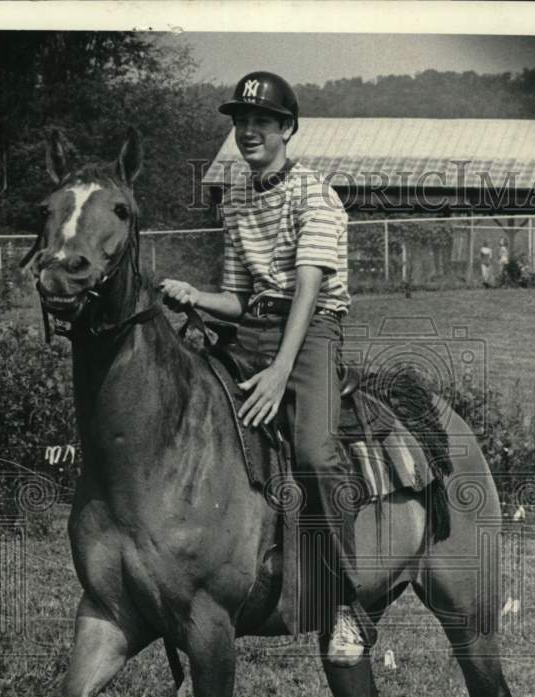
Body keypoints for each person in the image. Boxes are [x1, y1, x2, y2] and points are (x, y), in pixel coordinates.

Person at [161, 70, 375, 665]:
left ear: (286, 128)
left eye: (261, 121)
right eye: (240, 122)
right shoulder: (236, 199)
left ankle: (344, 604)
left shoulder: (317, 195)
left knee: (313, 450)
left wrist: (282, 369)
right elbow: (237, 296)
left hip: (311, 330)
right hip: (253, 324)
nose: (248, 131)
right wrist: (195, 296)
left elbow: (307, 292)